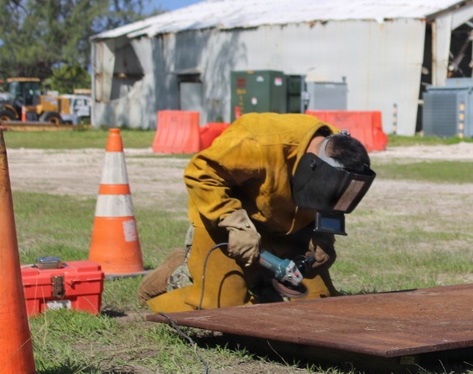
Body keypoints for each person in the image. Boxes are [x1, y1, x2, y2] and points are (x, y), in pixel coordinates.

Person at [139, 112, 375, 313]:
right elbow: (200, 174)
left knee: (319, 307)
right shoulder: (257, 141)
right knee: (222, 309)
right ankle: (173, 273)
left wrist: (323, 235)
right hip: (229, 227)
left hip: (289, 228)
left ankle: (260, 280)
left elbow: (334, 199)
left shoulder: (338, 152)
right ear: (311, 166)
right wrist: (235, 224)